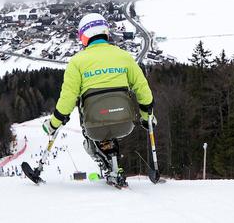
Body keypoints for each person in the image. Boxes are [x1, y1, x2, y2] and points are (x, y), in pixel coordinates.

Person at [42, 12, 154, 186]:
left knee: (92, 132)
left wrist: (54, 123)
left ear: (84, 36)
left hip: (95, 124)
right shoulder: (124, 56)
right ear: (105, 31)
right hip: (126, 122)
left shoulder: (77, 62)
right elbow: (142, 89)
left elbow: (68, 98)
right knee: (113, 122)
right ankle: (114, 162)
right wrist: (147, 118)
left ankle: (106, 160)